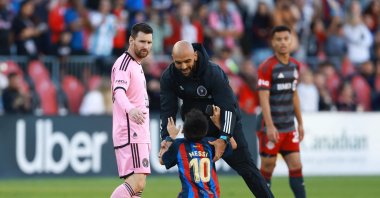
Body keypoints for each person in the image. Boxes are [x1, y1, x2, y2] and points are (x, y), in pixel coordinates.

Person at [159, 40, 274, 198]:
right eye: (179, 63)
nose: (184, 66)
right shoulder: (169, 77)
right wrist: (166, 137)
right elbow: (167, 110)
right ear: (172, 58)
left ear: (195, 56)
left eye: (187, 61)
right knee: (193, 180)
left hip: (222, 126)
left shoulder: (213, 72)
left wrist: (224, 137)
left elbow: (229, 107)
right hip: (196, 131)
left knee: (248, 171)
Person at [256, 25, 306, 198]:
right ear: (273, 42)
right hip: (271, 126)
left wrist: (300, 123)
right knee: (268, 167)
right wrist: (270, 126)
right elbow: (263, 98)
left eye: (286, 38)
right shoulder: (266, 67)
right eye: (279, 39)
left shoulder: (295, 66)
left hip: (288, 126)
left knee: (296, 165)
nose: (283, 42)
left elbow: (294, 95)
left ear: (291, 41)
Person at [110, 23, 153, 198]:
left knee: (137, 189)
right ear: (131, 40)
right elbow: (118, 91)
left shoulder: (136, 64)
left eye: (149, 42)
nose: (146, 46)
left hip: (138, 131)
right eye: (142, 41)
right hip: (131, 132)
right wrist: (131, 109)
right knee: (137, 182)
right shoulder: (124, 63)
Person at [160, 108, 234, 198]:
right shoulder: (211, 143)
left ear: (184, 130)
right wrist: (219, 124)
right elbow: (233, 145)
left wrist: (170, 138)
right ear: (205, 130)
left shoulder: (178, 145)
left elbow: (162, 160)